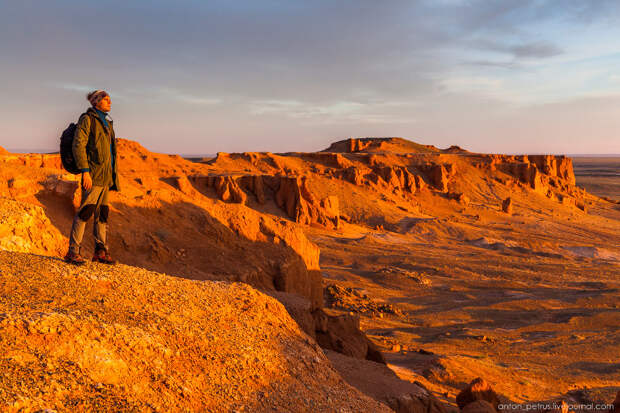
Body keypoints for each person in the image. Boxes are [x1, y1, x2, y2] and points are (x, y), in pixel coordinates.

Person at [64, 90, 120, 265]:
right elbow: (78, 144)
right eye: (106, 100)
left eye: (110, 99)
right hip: (93, 175)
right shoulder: (88, 119)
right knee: (85, 212)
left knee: (102, 214)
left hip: (106, 178)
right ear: (96, 103)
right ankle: (73, 252)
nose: (110, 102)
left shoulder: (108, 123)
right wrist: (85, 171)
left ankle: (100, 252)